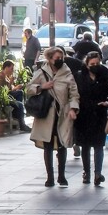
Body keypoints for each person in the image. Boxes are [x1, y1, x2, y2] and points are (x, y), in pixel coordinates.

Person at [26, 46, 80, 187]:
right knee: (48, 146)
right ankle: (50, 177)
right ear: (49, 59)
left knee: (62, 144)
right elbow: (29, 88)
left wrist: (73, 108)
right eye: (57, 58)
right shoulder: (41, 72)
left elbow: (74, 93)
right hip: (46, 115)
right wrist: (42, 87)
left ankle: (61, 176)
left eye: (61, 58)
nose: (60, 60)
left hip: (62, 114)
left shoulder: (67, 73)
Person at [74, 49, 108, 186]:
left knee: (98, 145)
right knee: (85, 145)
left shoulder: (105, 73)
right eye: (92, 63)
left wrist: (107, 101)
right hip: (84, 114)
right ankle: (86, 172)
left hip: (100, 113)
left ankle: (98, 173)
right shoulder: (79, 76)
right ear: (87, 63)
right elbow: (76, 93)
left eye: (97, 63)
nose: (95, 66)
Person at [0, 59, 32, 132]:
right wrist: (11, 83)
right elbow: (3, 91)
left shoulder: (7, 76)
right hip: (3, 99)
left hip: (9, 96)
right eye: (11, 69)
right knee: (19, 104)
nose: (12, 71)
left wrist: (16, 87)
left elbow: (11, 89)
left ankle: (17, 114)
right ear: (6, 67)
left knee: (20, 92)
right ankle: (22, 123)